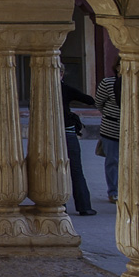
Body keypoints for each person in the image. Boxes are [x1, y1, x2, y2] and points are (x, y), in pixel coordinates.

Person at [60, 68, 96, 215]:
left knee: (55, 169)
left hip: (49, 136)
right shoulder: (65, 88)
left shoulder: (37, 89)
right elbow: (89, 100)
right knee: (76, 170)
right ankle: (84, 206)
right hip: (67, 133)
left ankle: (58, 204)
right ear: (61, 73)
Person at [94, 60, 121, 203]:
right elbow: (99, 102)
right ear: (117, 67)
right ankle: (113, 191)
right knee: (113, 160)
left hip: (129, 128)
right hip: (111, 128)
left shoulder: (133, 81)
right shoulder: (107, 83)